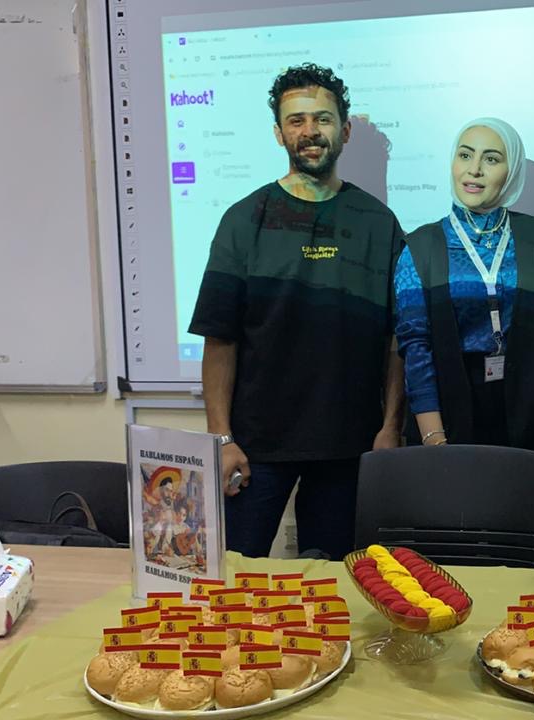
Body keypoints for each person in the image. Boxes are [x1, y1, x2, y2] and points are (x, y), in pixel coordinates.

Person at [188, 63, 405, 560]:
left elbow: (396, 340)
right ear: (279, 133)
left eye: (323, 119)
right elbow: (219, 339)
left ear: (344, 131)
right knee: (234, 575)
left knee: (335, 583)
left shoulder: (379, 223)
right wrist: (221, 438)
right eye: (297, 120)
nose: (310, 131)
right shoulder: (243, 220)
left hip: (350, 447)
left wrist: (390, 427)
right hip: (256, 447)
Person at [393, 118, 534, 451]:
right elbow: (415, 346)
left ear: (511, 171)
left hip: (529, 412)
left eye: (491, 159)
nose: (475, 170)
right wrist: (434, 437)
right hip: (449, 411)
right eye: (465, 155)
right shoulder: (421, 246)